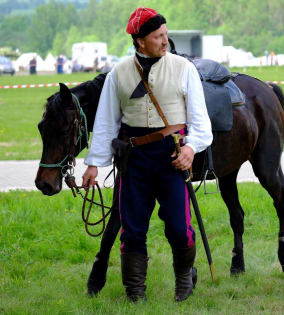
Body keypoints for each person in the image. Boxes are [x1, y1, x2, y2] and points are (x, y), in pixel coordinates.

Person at [82, 7, 212, 302]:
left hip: (172, 157)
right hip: (134, 159)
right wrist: (93, 164)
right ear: (140, 41)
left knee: (180, 228)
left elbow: (201, 122)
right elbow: (106, 122)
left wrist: (191, 148)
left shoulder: (183, 68)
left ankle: (184, 277)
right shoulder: (119, 73)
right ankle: (135, 295)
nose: (165, 41)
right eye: (158, 37)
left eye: (165, 34)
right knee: (132, 229)